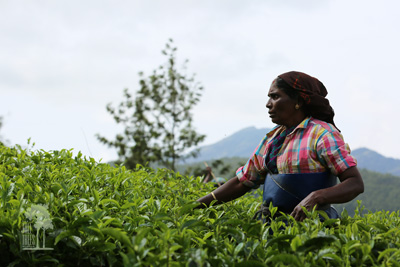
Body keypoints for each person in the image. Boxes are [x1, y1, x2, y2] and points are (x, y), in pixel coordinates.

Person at [196, 71, 364, 221]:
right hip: (272, 230)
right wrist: (195, 206)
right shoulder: (272, 139)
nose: (268, 104)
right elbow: (243, 182)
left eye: (275, 97)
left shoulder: (322, 135)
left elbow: (354, 183)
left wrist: (318, 197)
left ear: (298, 101)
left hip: (313, 230)